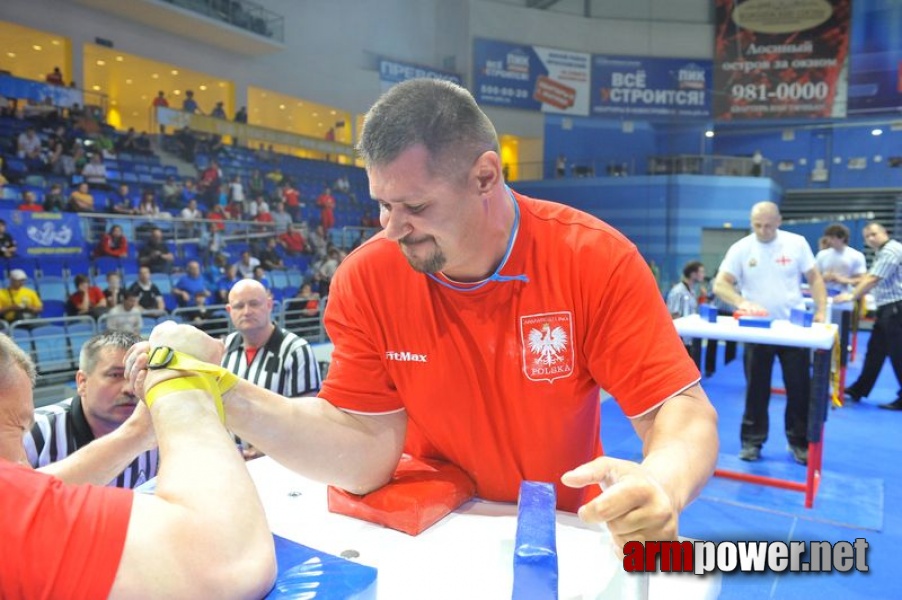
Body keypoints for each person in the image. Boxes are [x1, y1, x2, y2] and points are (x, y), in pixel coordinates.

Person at [126, 79, 717, 548]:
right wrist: (230, 394)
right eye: (382, 203)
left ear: (486, 176)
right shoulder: (368, 274)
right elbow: (363, 452)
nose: (391, 226)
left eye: (414, 205)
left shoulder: (592, 258)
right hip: (434, 528)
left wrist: (662, 481)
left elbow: (680, 411)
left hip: (556, 530)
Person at [0, 328, 277, 598]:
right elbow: (228, 558)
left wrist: (139, 432)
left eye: (131, 375)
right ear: (81, 382)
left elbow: (33, 494)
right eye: (17, 427)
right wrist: (180, 384)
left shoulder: (145, 428)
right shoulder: (44, 433)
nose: (128, 389)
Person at [713, 201, 826, 465]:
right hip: (758, 330)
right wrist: (741, 302)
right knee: (756, 390)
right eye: (757, 225)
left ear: (779, 221)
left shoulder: (796, 243)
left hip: (793, 329)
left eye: (768, 225)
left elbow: (815, 278)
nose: (763, 230)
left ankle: (799, 443)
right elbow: (721, 284)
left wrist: (821, 310)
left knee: (799, 389)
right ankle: (751, 442)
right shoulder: (741, 248)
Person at [24, 332, 157, 488]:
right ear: (82, 382)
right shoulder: (31, 432)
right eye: (115, 375)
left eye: (138, 374)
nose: (130, 389)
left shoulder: (160, 432)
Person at [222, 279, 322, 458]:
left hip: (282, 462)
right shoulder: (224, 348)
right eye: (239, 306)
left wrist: (259, 452)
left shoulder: (296, 350)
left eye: (254, 304)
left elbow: (305, 418)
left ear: (269, 305)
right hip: (233, 462)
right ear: (229, 311)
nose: (246, 312)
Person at [835, 222, 902, 410]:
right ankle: (859, 389)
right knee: (874, 352)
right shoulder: (882, 252)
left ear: (884, 233)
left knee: (898, 355)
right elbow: (868, 276)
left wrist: (852, 295)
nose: (871, 238)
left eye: (874, 234)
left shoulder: (891, 250)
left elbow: (874, 278)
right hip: (887, 309)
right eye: (867, 237)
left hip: (896, 309)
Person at [666, 260, 706, 362]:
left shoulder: (692, 290)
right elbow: (673, 315)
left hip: (691, 338)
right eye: (701, 272)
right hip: (681, 342)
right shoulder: (678, 291)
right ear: (693, 274)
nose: (703, 275)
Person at [816, 223, 866, 297]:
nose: (829, 241)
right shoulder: (821, 254)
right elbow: (813, 277)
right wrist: (823, 278)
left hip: (846, 295)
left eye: (832, 238)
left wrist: (843, 280)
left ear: (842, 238)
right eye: (828, 237)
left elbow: (863, 280)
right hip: (824, 294)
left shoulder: (856, 255)